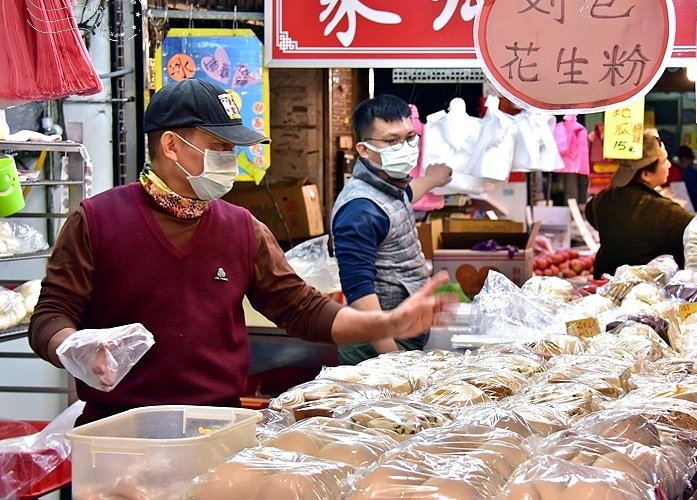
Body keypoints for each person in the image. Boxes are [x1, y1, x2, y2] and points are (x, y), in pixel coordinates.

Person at [27, 79, 454, 425]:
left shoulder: (242, 228)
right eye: (221, 148)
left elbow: (301, 309)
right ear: (172, 146)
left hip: (216, 426)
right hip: (118, 430)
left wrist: (383, 322)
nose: (232, 160)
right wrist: (73, 346)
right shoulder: (97, 220)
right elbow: (49, 316)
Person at [331, 94, 452, 365]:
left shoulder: (387, 185)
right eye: (392, 141)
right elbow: (359, 291)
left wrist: (432, 180)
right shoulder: (360, 208)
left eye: (410, 137)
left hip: (402, 333)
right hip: (374, 347)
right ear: (363, 150)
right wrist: (392, 360)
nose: (405, 147)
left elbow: (407, 196)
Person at [585, 133, 694, 277]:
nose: (669, 165)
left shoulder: (601, 200)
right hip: (646, 291)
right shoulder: (662, 210)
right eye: (664, 160)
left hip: (606, 285)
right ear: (646, 174)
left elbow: (590, 213)